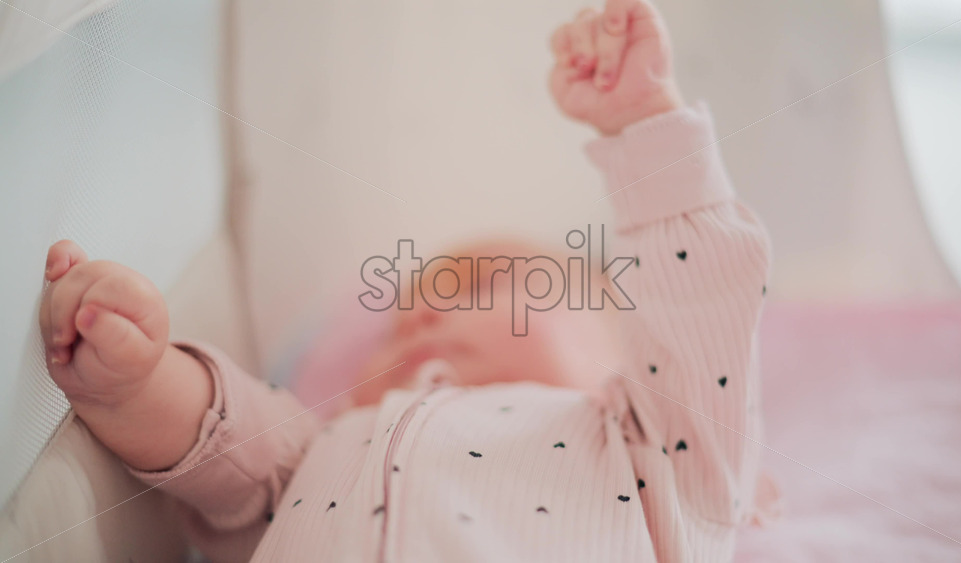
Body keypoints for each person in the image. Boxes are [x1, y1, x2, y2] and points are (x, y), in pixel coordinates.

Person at [38, 0, 781, 560]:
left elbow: (699, 307)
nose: (419, 318)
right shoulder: (325, 444)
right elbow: (222, 446)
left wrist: (645, 125)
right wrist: (136, 381)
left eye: (480, 291)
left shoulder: (662, 460)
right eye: (398, 326)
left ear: (625, 353)